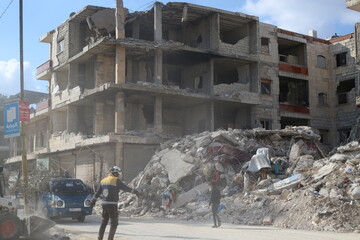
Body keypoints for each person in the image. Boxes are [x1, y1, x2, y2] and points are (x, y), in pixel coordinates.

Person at [91, 166, 140, 240]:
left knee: (104, 222)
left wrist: (93, 200)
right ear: (115, 173)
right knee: (114, 223)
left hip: (104, 204)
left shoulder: (103, 180)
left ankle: (99, 238)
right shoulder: (116, 180)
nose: (119, 175)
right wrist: (135, 192)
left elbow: (98, 193)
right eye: (118, 174)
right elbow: (126, 188)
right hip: (112, 205)